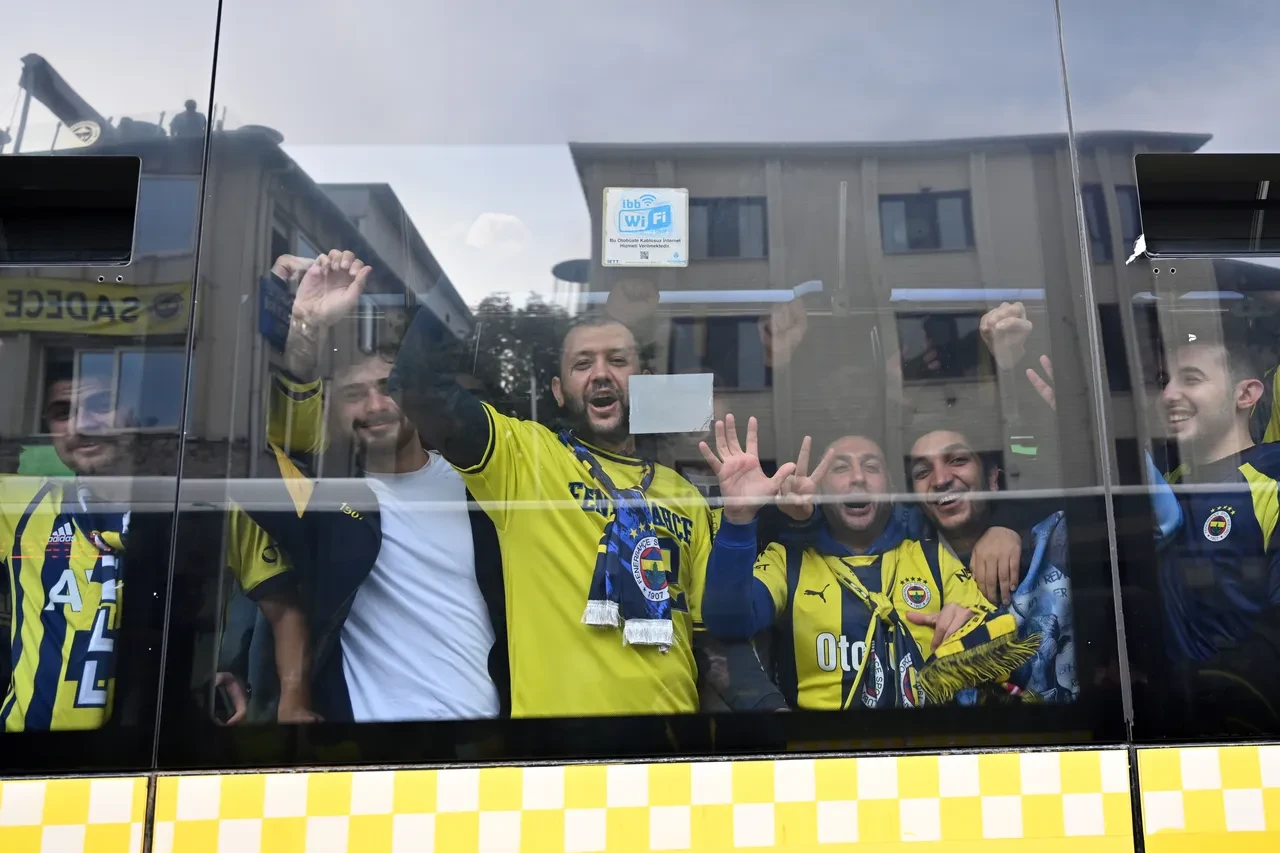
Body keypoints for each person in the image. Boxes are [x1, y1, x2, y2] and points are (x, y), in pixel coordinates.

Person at [382, 256, 779, 718]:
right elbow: (416, 385)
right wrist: (464, 265)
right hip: (561, 751)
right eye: (582, 364)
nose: (601, 373)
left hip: (668, 748)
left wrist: (774, 715)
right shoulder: (523, 458)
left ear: (645, 382)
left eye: (618, 360)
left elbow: (713, 639)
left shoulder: (683, 494)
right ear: (558, 390)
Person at [240, 250, 508, 723]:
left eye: (387, 387)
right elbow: (251, 447)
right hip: (370, 749)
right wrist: (298, 321)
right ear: (331, 412)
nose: (374, 405)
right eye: (352, 394)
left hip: (487, 740)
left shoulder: (483, 483)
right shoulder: (327, 503)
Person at [1, 367, 311, 731]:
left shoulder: (208, 508)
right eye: (61, 412)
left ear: (138, 413)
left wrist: (294, 702)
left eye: (100, 404)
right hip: (28, 750)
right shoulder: (20, 505)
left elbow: (285, 610)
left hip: (159, 745)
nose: (80, 425)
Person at [700, 417, 1036, 709]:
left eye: (871, 466)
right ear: (818, 488)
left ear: (891, 487)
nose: (858, 478)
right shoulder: (788, 561)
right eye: (840, 467)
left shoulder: (932, 557)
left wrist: (968, 629)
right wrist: (739, 518)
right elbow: (729, 621)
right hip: (823, 751)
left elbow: (1001, 644)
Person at [907, 426, 1077, 703]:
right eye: (922, 472)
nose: (940, 479)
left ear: (992, 478)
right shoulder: (901, 564)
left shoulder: (1054, 542)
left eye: (957, 460)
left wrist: (1009, 522)